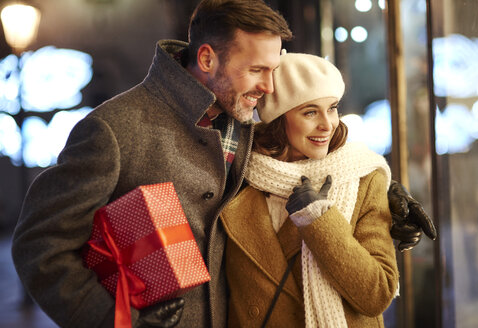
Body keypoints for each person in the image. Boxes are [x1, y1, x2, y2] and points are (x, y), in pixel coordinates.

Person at [11, 0, 434, 327]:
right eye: (257, 70)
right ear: (208, 59)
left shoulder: (247, 118)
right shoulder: (114, 129)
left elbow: (306, 155)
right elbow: (40, 245)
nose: (269, 86)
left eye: (273, 69)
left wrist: (383, 188)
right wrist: (112, 320)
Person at [221, 52, 399, 327]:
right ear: (279, 119)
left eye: (332, 108)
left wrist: (319, 219)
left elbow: (377, 294)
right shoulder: (238, 176)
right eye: (310, 112)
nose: (327, 124)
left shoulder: (362, 177)